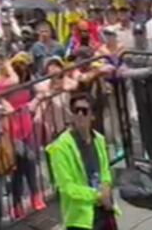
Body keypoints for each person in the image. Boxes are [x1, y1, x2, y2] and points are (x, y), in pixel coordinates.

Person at [46, 92, 117, 230]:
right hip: (80, 219)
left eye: (84, 111)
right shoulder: (60, 148)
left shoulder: (99, 139)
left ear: (92, 116)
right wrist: (97, 195)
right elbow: (67, 187)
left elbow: (104, 170)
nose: (79, 115)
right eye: (75, 110)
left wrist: (107, 186)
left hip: (104, 211)